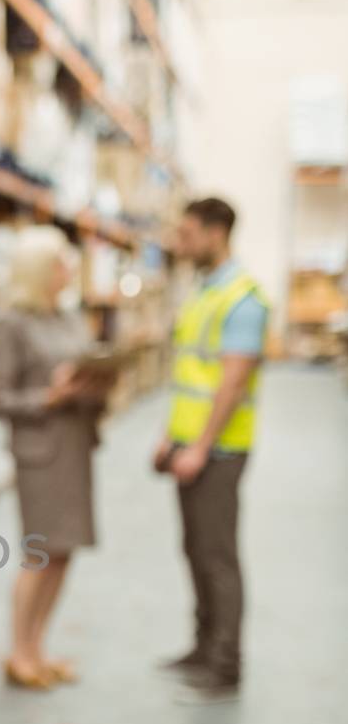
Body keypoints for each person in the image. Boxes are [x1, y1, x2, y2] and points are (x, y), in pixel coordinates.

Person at [153, 196, 269, 698]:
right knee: (195, 548)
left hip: (219, 452)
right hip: (190, 445)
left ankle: (226, 664)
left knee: (217, 554)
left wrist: (199, 447)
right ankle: (202, 647)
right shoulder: (205, 291)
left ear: (216, 232)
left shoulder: (242, 298)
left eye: (188, 234)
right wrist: (171, 437)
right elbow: (188, 376)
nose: (181, 244)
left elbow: (232, 382)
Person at [0, 225, 111, 689]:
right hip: (41, 453)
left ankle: (39, 647)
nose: (69, 270)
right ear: (40, 271)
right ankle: (19, 653)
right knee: (40, 554)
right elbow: (0, 399)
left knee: (64, 554)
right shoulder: (14, 324)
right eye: (61, 263)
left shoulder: (70, 318)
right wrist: (52, 396)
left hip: (76, 445)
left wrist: (98, 384)